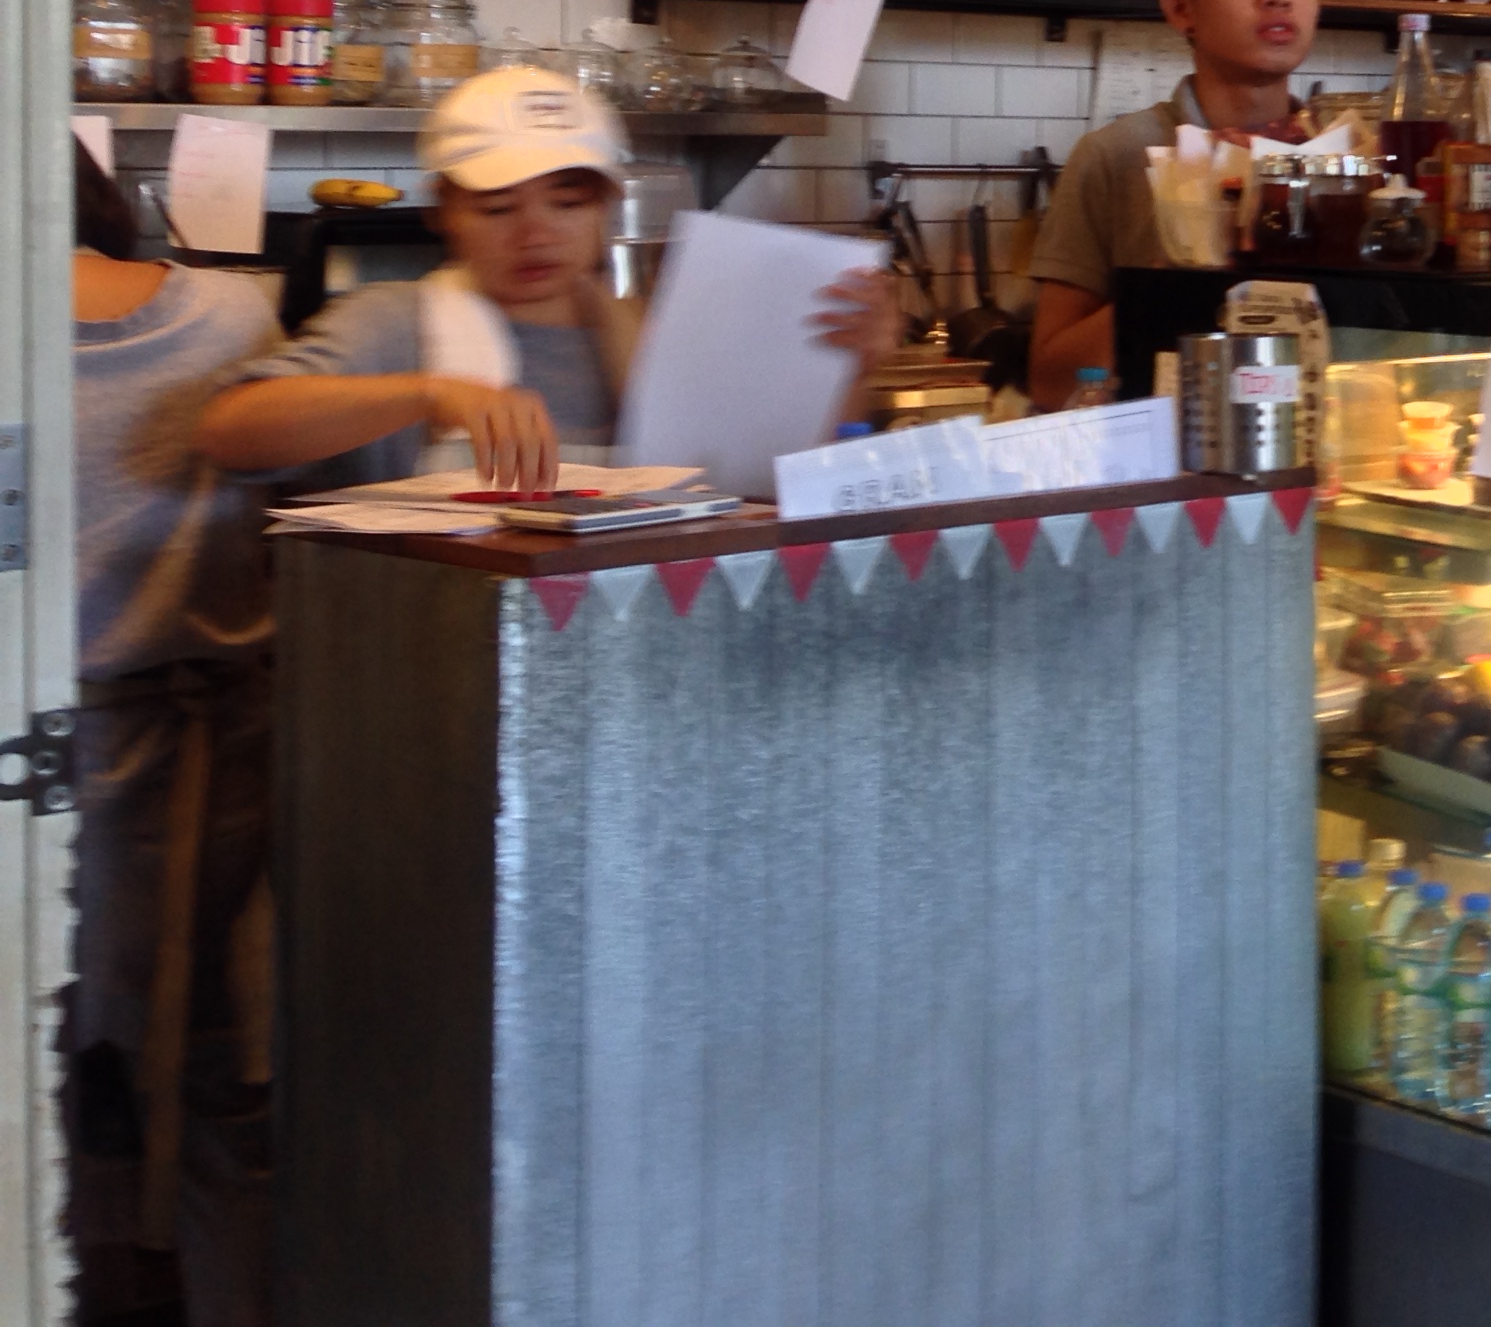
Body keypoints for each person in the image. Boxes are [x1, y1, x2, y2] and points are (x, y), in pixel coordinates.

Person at [198, 67, 894, 492]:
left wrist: (850, 366)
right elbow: (229, 431)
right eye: (498, 208)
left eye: (567, 203)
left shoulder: (656, 333)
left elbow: (759, 480)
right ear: (444, 212)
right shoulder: (396, 323)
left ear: (607, 206)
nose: (535, 234)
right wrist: (430, 393)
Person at [66, 141, 282, 1327]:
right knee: (221, 1073)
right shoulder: (236, 311)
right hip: (230, 757)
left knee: (64, 1087)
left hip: (56, 779)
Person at [1027, 0, 1318, 406]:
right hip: (1162, 453)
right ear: (1181, 8)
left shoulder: (1346, 162)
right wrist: (1172, 282)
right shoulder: (1117, 155)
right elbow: (1050, 381)